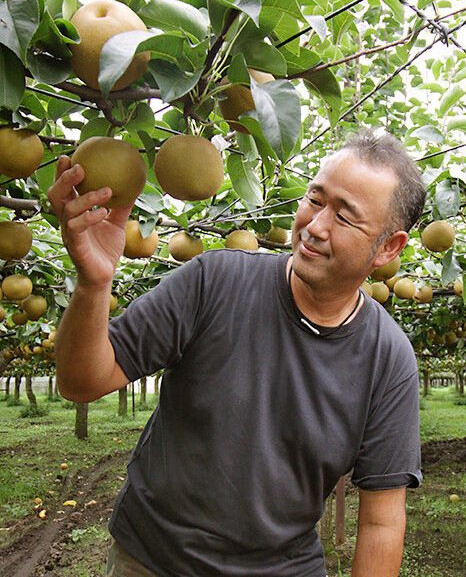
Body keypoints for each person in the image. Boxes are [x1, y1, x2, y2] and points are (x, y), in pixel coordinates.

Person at [48, 129, 426, 577]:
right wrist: (93, 283)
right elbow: (81, 382)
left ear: (388, 247)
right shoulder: (214, 281)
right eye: (315, 199)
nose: (315, 226)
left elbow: (382, 521)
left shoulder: (388, 359)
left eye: (344, 218)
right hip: (153, 561)